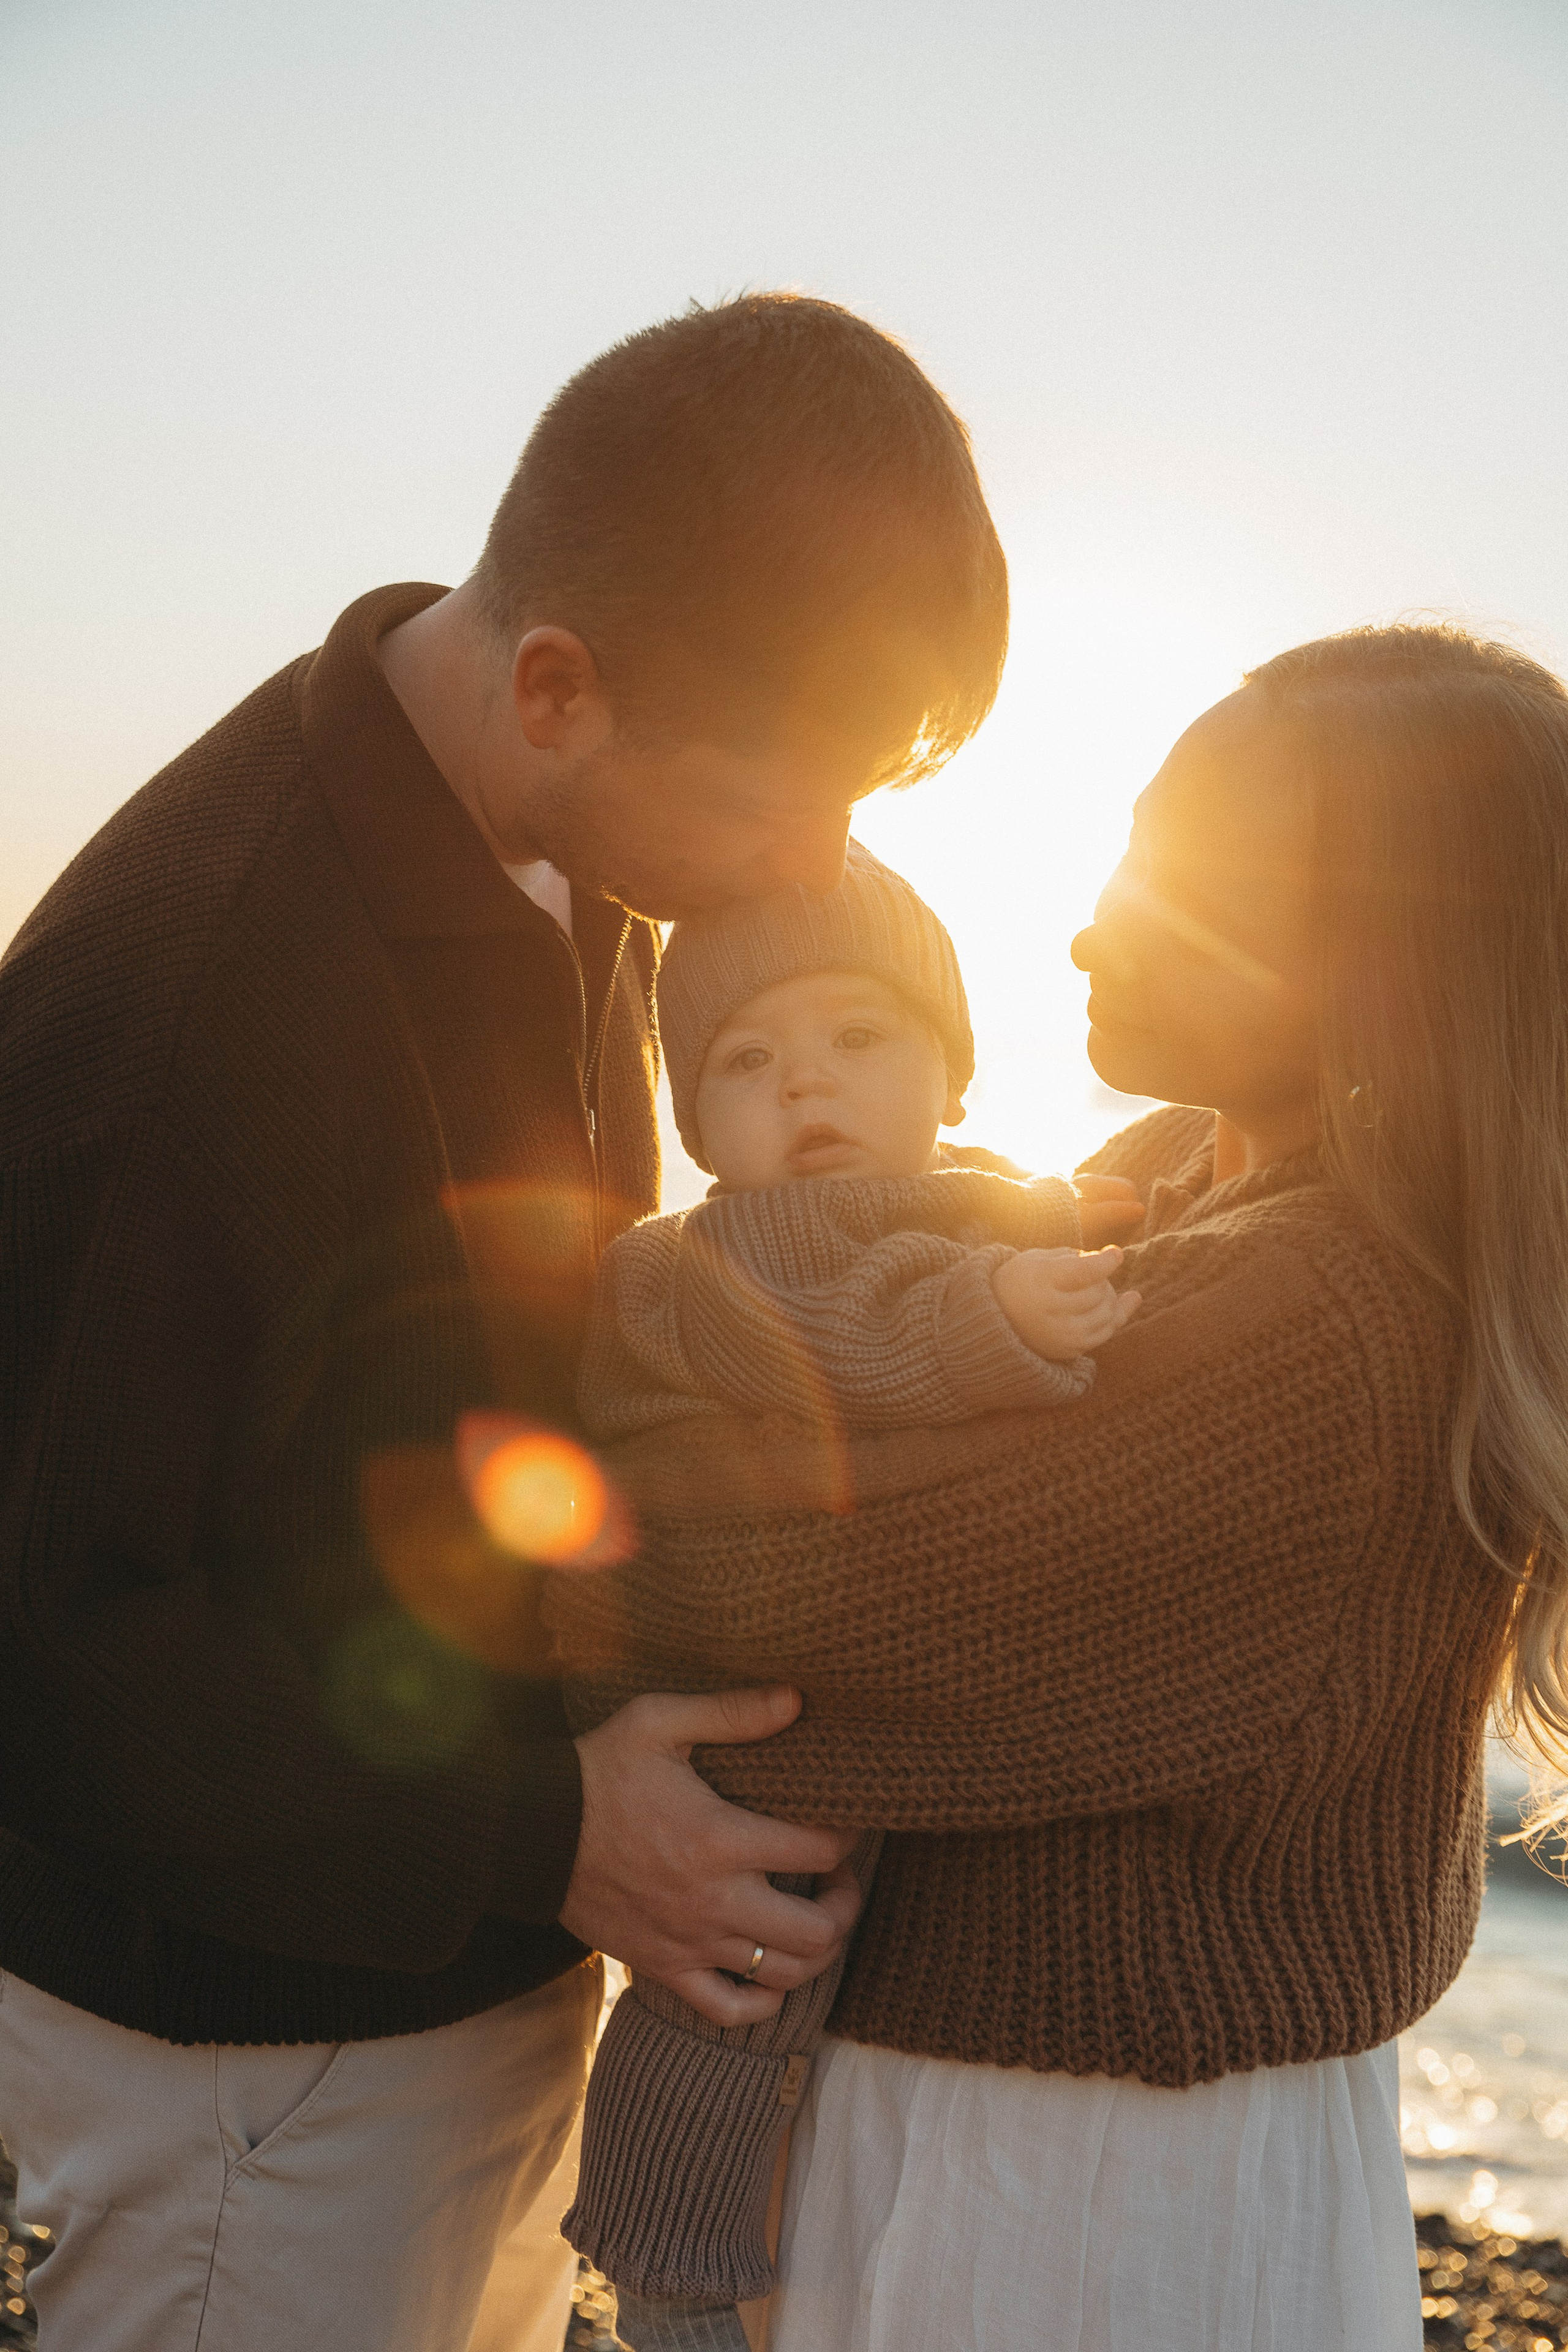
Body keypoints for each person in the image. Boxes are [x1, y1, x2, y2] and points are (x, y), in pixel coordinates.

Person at [0, 292, 1009, 2352]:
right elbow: (43, 1637)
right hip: (250, 2087)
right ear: (558, 683)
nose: (825, 862)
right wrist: (548, 1828)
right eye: (781, 798)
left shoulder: (562, 842)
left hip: (472, 1983)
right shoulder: (187, 1004)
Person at [547, 624, 1568, 2351]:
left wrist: (548, 1535)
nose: (1094, 925)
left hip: (1087, 2192)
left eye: (1175, 885)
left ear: (1361, 952)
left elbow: (803, 1620)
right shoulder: (1161, 1190)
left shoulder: (1326, 1322)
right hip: (984, 2131)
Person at [558, 839, 1141, 2352]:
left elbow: (1038, 1230)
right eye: (747, 1061)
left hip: (860, 1672)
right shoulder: (693, 1263)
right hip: (700, 1672)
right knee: (731, 1982)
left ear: (953, 1073)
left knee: (829, 1988)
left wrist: (1099, 1221)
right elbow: (814, 1340)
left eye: (858, 1038)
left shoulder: (980, 1206)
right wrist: (988, 1319)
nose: (805, 1085)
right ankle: (666, 2270)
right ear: (695, 1127)